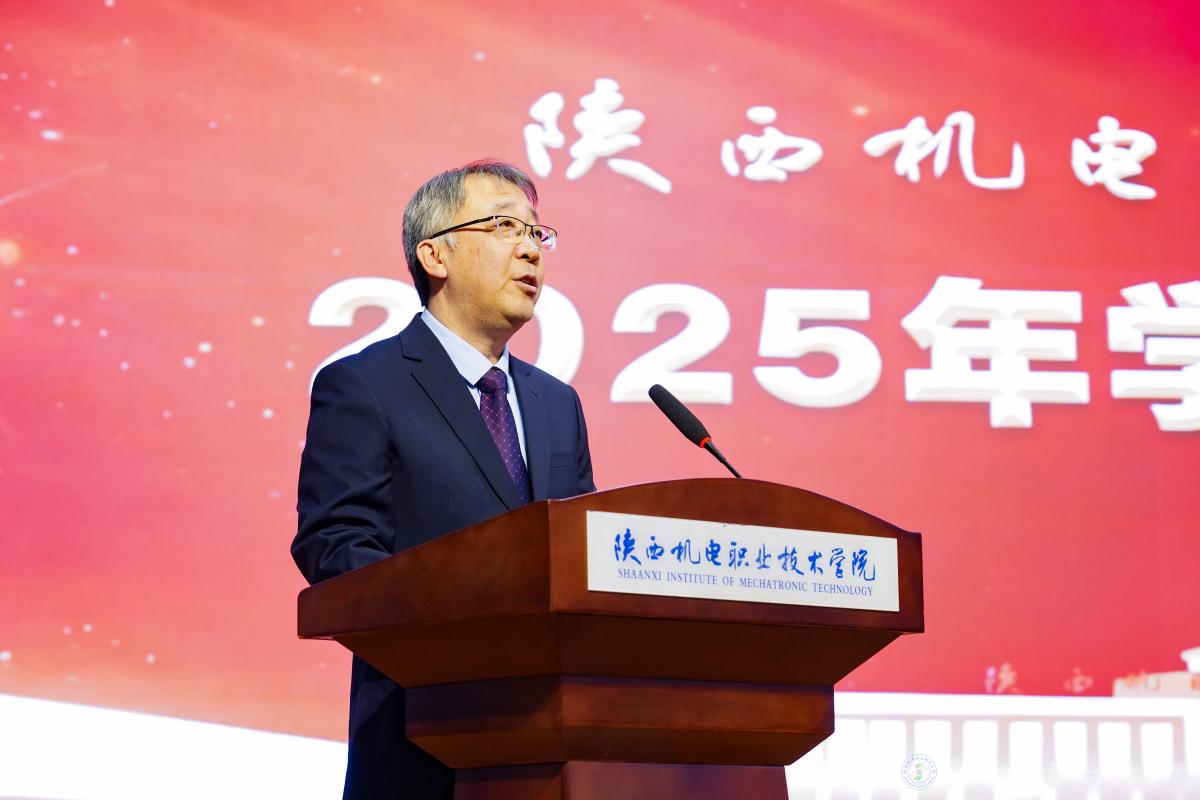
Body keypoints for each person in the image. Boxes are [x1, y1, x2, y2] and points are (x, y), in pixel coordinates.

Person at [292, 160, 595, 799]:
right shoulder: (364, 384)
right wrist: (459, 625)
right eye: (505, 227)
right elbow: (335, 544)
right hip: (421, 738)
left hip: (551, 750)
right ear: (435, 256)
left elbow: (581, 552)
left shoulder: (556, 403)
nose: (530, 250)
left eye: (537, 233)